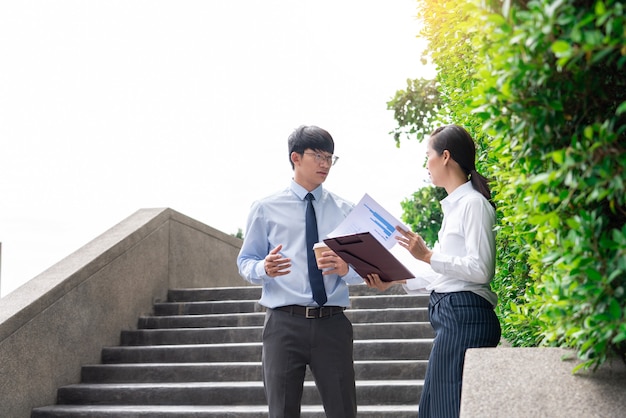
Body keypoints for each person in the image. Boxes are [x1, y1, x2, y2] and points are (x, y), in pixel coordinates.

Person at [363, 124, 501, 418]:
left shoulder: (473, 205)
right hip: (453, 315)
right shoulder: (455, 208)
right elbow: (446, 274)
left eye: (429, 155)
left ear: (446, 156)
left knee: (446, 409)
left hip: (465, 316)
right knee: (436, 408)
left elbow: (481, 269)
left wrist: (427, 255)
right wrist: (395, 278)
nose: (427, 163)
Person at [236, 125, 364, 418]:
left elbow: (364, 269)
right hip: (283, 325)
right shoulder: (265, 208)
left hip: (332, 323)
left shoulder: (346, 210)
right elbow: (246, 261)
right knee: (281, 412)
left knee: (343, 411)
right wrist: (263, 268)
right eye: (318, 155)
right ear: (295, 157)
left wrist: (346, 268)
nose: (325, 164)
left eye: (330, 157)